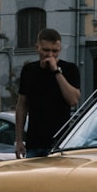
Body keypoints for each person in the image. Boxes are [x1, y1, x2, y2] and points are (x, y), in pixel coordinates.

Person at [14, 28, 81, 158]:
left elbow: (73, 100)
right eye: (46, 50)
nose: (50, 55)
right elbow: (22, 105)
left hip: (60, 144)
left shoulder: (70, 69)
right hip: (34, 143)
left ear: (60, 50)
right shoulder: (29, 70)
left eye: (55, 51)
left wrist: (56, 72)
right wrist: (18, 140)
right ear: (37, 48)